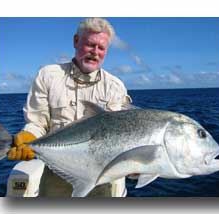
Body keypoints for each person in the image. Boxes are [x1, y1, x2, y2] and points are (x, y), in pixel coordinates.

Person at [7, 17, 132, 197]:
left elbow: (119, 135)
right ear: (75, 41)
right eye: (90, 45)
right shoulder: (48, 76)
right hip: (57, 175)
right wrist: (31, 136)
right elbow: (38, 122)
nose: (95, 52)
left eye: (101, 48)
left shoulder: (115, 86)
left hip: (101, 177)